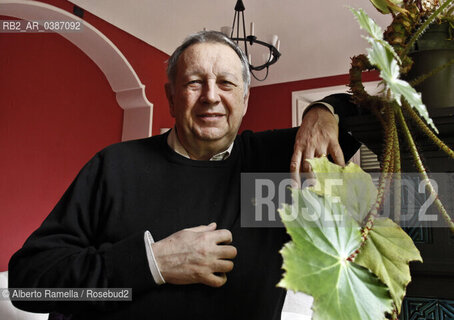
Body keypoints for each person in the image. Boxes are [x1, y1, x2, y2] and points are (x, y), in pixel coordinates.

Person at [9, 31, 360, 319]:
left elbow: (370, 111)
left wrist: (322, 111)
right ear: (171, 98)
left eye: (226, 83)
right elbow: (29, 286)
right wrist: (151, 264)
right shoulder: (114, 166)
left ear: (246, 99)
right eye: (194, 82)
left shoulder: (275, 166)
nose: (211, 96)